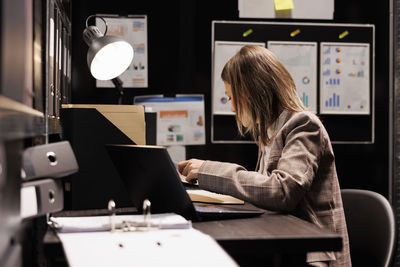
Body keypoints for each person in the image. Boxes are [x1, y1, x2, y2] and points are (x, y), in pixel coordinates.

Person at [178, 45, 351, 267]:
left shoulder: (304, 124)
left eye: (233, 98)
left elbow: (281, 191)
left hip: (311, 256)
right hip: (285, 246)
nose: (232, 108)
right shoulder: (270, 131)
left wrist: (207, 170)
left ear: (252, 92)